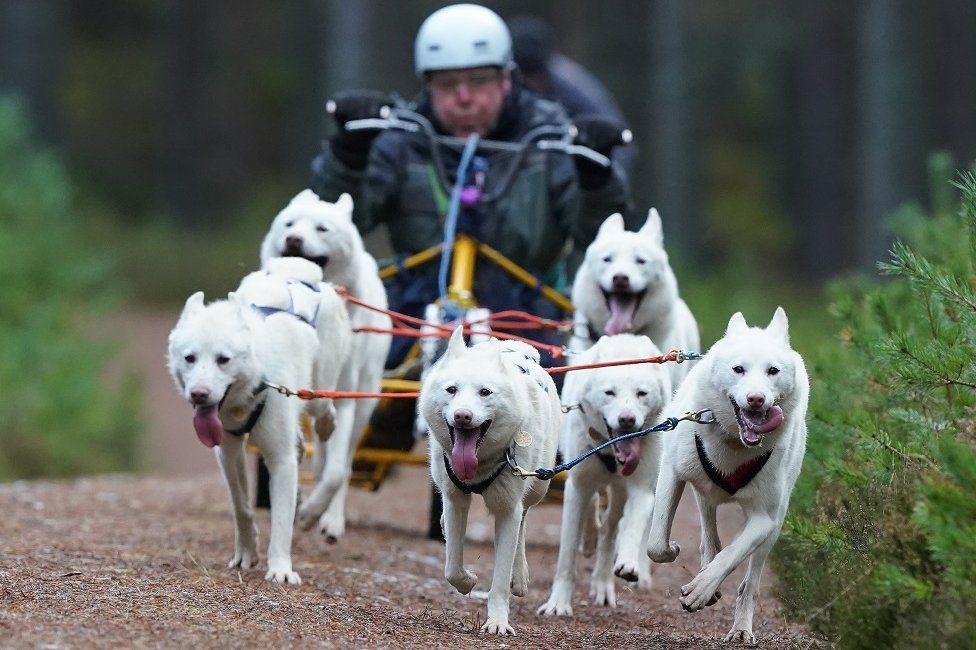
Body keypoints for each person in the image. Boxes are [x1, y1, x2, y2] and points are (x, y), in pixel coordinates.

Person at [309, 2, 634, 371]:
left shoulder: (548, 139)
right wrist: (348, 156)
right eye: (448, 85)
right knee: (344, 372)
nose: (463, 98)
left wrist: (597, 180)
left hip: (527, 317)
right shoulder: (403, 138)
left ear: (506, 80)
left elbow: (603, 235)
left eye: (479, 82)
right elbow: (334, 224)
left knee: (559, 403)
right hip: (411, 314)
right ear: (427, 86)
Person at [509, 15, 636, 176]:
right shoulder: (502, 87)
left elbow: (621, 145)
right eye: (523, 77)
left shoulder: (575, 87)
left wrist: (605, 185)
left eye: (534, 76)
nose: (530, 84)